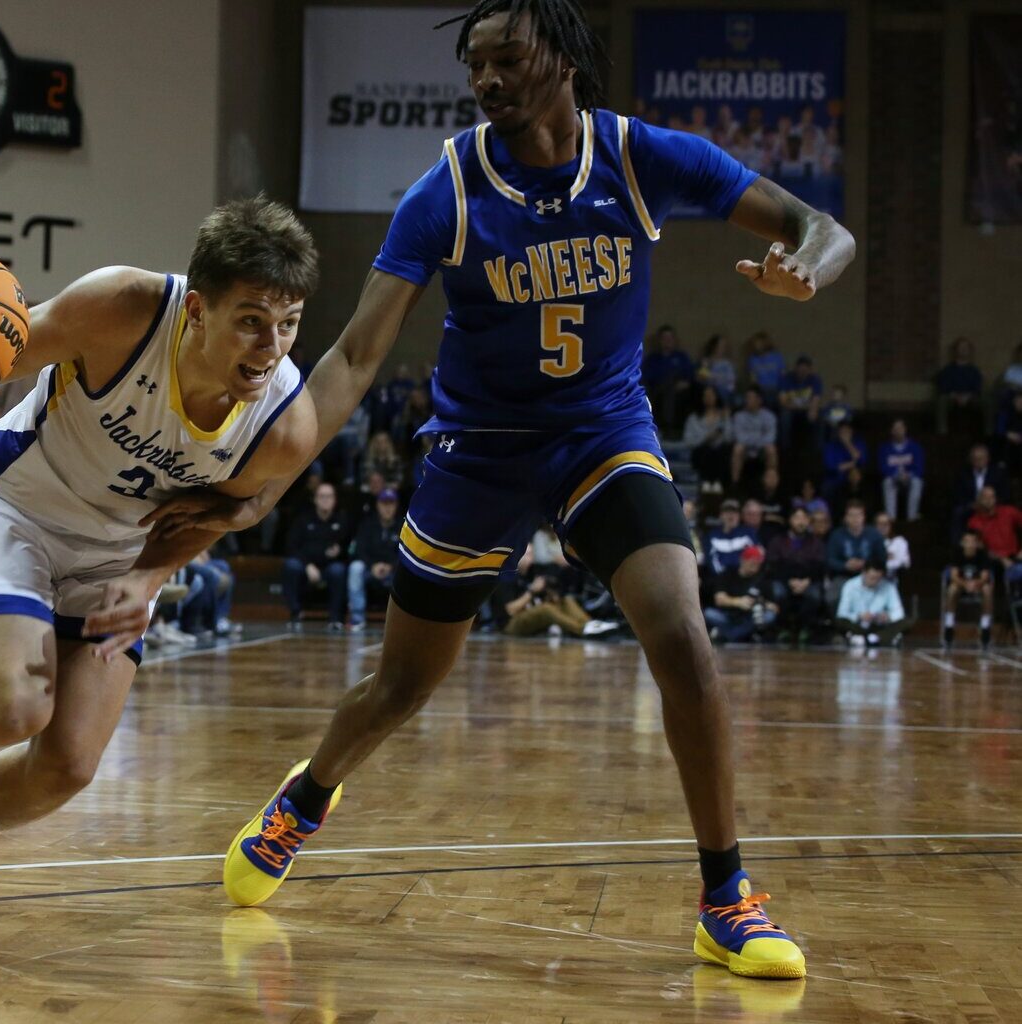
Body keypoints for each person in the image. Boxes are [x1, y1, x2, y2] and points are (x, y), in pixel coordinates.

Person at [158, 0, 852, 981]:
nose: (487, 81)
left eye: (507, 59)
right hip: (478, 452)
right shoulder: (445, 190)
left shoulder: (640, 156)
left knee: (683, 632)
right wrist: (261, 481)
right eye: (475, 66)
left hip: (600, 435)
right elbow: (357, 355)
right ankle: (307, 796)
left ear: (562, 58)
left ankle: (725, 895)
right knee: (402, 685)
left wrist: (807, 273)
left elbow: (822, 227)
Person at [0, 197, 320, 944]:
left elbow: (221, 514)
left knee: (68, 764)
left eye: (290, 322)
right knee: (12, 709)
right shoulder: (123, 309)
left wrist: (146, 579)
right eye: (251, 320)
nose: (271, 345)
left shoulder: (283, 423)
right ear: (199, 310)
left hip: (117, 553)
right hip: (17, 509)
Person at [282, 482, 350, 629]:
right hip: (306, 566)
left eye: (329, 496)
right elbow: (291, 546)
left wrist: (340, 551)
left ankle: (335, 619)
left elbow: (349, 548)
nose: (326, 500)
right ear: (315, 499)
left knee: (338, 570)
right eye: (322, 496)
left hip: (329, 566)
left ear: (335, 500)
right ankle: (295, 613)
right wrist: (308, 565)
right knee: (291, 565)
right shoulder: (303, 519)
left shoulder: (342, 520)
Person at [766, 506, 824, 643]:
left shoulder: (816, 543)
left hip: (809, 581)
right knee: (778, 592)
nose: (801, 522)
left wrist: (806, 581)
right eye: (797, 518)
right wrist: (789, 581)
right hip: (784, 580)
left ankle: (806, 629)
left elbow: (820, 566)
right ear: (790, 520)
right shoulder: (778, 541)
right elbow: (773, 565)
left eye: (804, 518)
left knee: (814, 595)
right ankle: (783, 629)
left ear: (809, 521)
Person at [348, 487, 401, 632]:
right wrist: (372, 565)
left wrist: (390, 566)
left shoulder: (403, 525)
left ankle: (401, 621)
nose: (387, 508)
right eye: (384, 503)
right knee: (355, 568)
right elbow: (359, 549)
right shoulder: (367, 524)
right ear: (378, 505)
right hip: (370, 569)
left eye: (391, 503)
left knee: (409, 571)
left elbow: (405, 552)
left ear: (396, 505)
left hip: (393, 571)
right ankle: (357, 618)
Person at [703, 544, 777, 644]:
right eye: (752, 563)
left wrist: (759, 603)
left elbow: (774, 607)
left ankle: (726, 635)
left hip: (749, 618)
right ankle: (745, 635)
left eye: (758, 564)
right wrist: (738, 602)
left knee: (768, 616)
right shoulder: (728, 574)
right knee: (709, 613)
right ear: (743, 560)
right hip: (728, 615)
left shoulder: (762, 579)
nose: (755, 567)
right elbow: (719, 599)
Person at [835, 565, 912, 648]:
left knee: (907, 621)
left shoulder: (888, 586)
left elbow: (899, 612)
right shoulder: (850, 585)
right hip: (857, 625)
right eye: (872, 578)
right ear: (864, 573)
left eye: (878, 579)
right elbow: (842, 613)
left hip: (879, 626)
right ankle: (879, 638)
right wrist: (859, 616)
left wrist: (888, 616)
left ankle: (872, 638)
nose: (875, 582)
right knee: (840, 621)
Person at [825, 499, 885, 603]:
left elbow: (882, 558)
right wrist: (845, 565)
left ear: (864, 517)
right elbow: (830, 560)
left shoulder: (874, 534)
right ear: (845, 517)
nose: (855, 519)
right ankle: (842, 619)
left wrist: (867, 565)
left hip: (869, 575)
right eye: (851, 515)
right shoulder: (836, 535)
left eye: (858, 515)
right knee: (831, 598)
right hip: (843, 576)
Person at [943, 530, 993, 650]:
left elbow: (985, 576)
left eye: (973, 541)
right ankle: (949, 625)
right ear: (962, 543)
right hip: (961, 585)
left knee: (987, 589)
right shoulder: (957, 553)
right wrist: (965, 584)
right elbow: (954, 576)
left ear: (977, 543)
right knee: (951, 589)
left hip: (977, 585)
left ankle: (985, 627)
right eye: (967, 541)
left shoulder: (982, 554)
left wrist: (976, 584)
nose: (970, 544)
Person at [640, 325, 694, 433]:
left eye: (670, 338)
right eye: (664, 338)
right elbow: (645, 376)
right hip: (656, 389)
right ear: (660, 340)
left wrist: (685, 383)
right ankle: (665, 427)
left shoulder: (681, 357)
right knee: (667, 386)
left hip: (680, 390)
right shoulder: (653, 359)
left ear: (674, 339)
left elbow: (690, 376)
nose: (668, 341)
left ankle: (671, 427)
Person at [966, 486, 1022, 588]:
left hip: (1015, 557)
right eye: (985, 497)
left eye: (992, 497)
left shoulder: (1009, 512)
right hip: (991, 561)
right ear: (979, 500)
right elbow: (979, 549)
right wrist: (1001, 558)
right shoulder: (974, 521)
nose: (989, 500)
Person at [683, 385, 731, 493]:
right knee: (706, 451)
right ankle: (706, 482)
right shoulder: (693, 418)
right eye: (706, 395)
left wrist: (725, 419)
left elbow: (729, 437)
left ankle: (718, 482)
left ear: (716, 397)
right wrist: (707, 438)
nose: (708, 398)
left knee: (721, 451)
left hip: (720, 454)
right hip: (701, 454)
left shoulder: (723, 416)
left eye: (711, 395)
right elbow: (688, 441)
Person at [935, 336, 984, 438]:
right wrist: (955, 396)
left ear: (969, 351)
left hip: (970, 398)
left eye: (966, 347)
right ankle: (942, 431)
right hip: (951, 398)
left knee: (987, 400)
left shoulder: (974, 371)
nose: (963, 350)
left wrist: (968, 396)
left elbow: (977, 388)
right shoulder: (948, 370)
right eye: (961, 347)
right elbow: (943, 387)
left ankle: (987, 433)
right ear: (956, 350)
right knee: (941, 400)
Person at [729, 386, 777, 486]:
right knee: (737, 449)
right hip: (745, 451)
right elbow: (739, 437)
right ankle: (735, 484)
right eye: (746, 398)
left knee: (771, 449)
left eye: (750, 398)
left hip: (761, 451)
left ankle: (771, 485)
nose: (747, 400)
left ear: (759, 400)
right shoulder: (739, 416)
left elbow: (770, 437)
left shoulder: (769, 416)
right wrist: (757, 440)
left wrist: (754, 441)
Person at [878, 419, 923, 522]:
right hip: (894, 479)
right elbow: (883, 468)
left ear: (905, 430)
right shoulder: (884, 448)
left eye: (900, 428)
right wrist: (896, 474)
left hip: (909, 479)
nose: (898, 431)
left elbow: (919, 468)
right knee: (887, 482)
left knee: (917, 482)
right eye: (895, 428)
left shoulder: (915, 447)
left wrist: (908, 475)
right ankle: (891, 519)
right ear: (891, 431)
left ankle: (912, 518)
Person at [776, 356, 823, 452]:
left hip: (807, 408)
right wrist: (799, 406)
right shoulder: (786, 378)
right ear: (795, 368)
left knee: (819, 417)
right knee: (785, 417)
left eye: (805, 370)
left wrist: (812, 410)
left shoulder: (815, 379)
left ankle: (817, 448)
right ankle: (785, 447)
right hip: (790, 408)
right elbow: (783, 401)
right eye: (800, 369)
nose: (802, 372)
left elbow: (816, 398)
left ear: (810, 370)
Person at [705, 499, 756, 576]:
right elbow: (710, 560)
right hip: (721, 579)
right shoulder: (712, 535)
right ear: (721, 515)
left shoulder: (748, 533)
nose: (731, 515)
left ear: (739, 515)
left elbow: (756, 556)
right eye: (727, 512)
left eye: (734, 512)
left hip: (745, 578)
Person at [820, 420, 865, 507]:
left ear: (851, 431)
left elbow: (862, 461)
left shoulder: (859, 443)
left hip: (854, 480)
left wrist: (848, 444)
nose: (844, 433)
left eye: (847, 431)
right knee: (827, 487)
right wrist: (853, 463)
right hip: (836, 479)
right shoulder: (831, 446)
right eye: (842, 431)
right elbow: (831, 466)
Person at [695, 334, 737, 406]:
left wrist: (728, 389)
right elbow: (701, 379)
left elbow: (731, 382)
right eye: (721, 346)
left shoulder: (727, 364)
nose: (723, 348)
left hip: (725, 393)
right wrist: (708, 368)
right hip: (710, 392)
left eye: (724, 346)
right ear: (714, 347)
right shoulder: (707, 362)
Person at [744, 331, 784, 396]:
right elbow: (753, 379)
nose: (756, 346)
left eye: (758, 343)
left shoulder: (777, 357)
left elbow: (782, 375)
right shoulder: (753, 359)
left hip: (776, 389)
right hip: (761, 391)